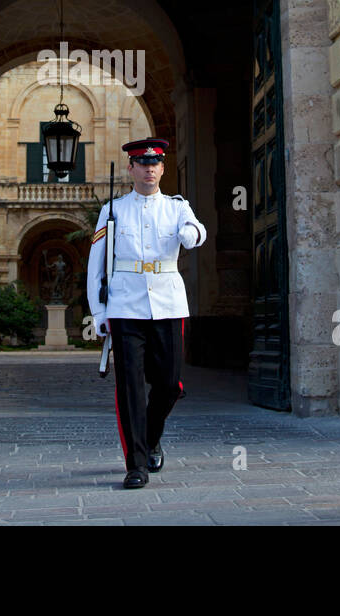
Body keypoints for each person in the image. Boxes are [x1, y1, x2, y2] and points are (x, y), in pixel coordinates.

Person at [86, 138, 206, 489]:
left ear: (163, 168)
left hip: (167, 304)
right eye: (141, 163)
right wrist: (98, 312)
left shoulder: (177, 207)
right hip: (125, 305)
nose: (148, 168)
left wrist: (190, 233)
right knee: (130, 388)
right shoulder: (112, 210)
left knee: (170, 384)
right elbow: (97, 266)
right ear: (131, 169)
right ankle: (135, 463)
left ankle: (151, 437)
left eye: (155, 163)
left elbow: (198, 232)